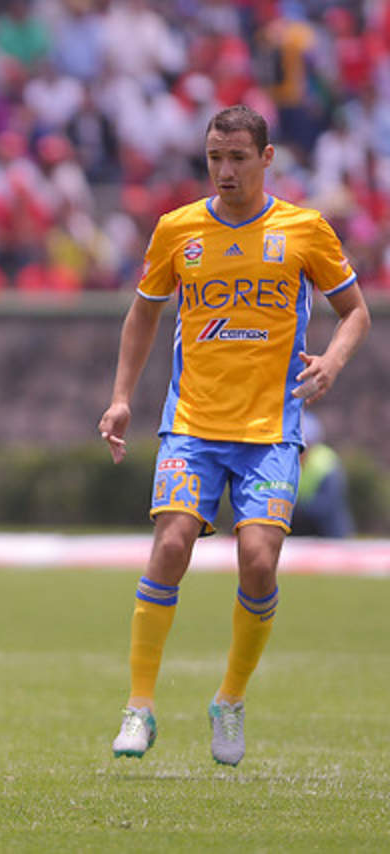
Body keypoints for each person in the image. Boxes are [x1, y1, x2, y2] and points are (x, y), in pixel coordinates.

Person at [97, 105, 371, 766]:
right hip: (192, 424)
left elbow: (356, 312)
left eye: (238, 158)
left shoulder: (303, 230)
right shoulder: (178, 229)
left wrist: (332, 361)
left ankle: (230, 698)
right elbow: (143, 315)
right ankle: (140, 706)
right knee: (171, 544)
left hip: (270, 430)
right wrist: (121, 398)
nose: (224, 170)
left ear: (266, 158)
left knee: (258, 561)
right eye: (215, 157)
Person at [291, 411, 355, 538]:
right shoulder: (284, 463)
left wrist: (293, 507)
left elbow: (326, 506)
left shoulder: (326, 463)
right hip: (297, 530)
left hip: (327, 532)